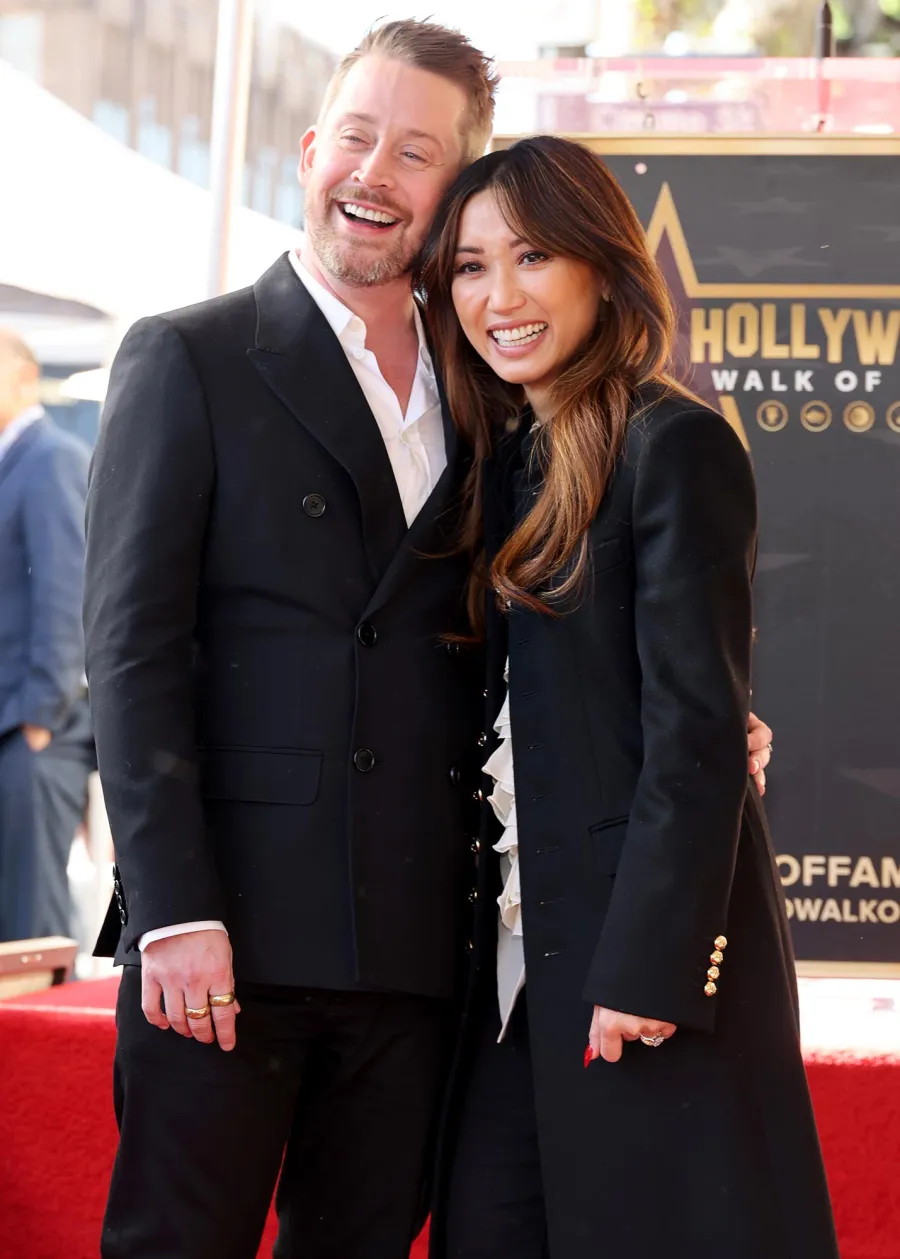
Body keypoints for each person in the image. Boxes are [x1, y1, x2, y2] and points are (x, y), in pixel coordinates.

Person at [84, 21, 774, 1257]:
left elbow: (540, 639)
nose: (374, 173)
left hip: (422, 949)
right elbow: (130, 651)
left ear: (453, 187)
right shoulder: (188, 354)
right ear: (309, 150)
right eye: (357, 138)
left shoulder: (493, 396)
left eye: (415, 153)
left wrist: (682, 720)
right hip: (230, 935)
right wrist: (171, 909)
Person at [416, 136, 837, 1259]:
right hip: (510, 971)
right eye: (470, 267)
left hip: (635, 965)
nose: (499, 297)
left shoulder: (674, 444)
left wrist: (651, 967)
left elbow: (697, 731)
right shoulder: (502, 460)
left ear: (601, 266)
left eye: (533, 256)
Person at [0, 329, 93, 943]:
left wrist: (40, 719)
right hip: (13, 725)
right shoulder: (12, 462)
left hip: (34, 730)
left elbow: (66, 591)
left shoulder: (51, 457)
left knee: (29, 921)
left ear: (26, 375)